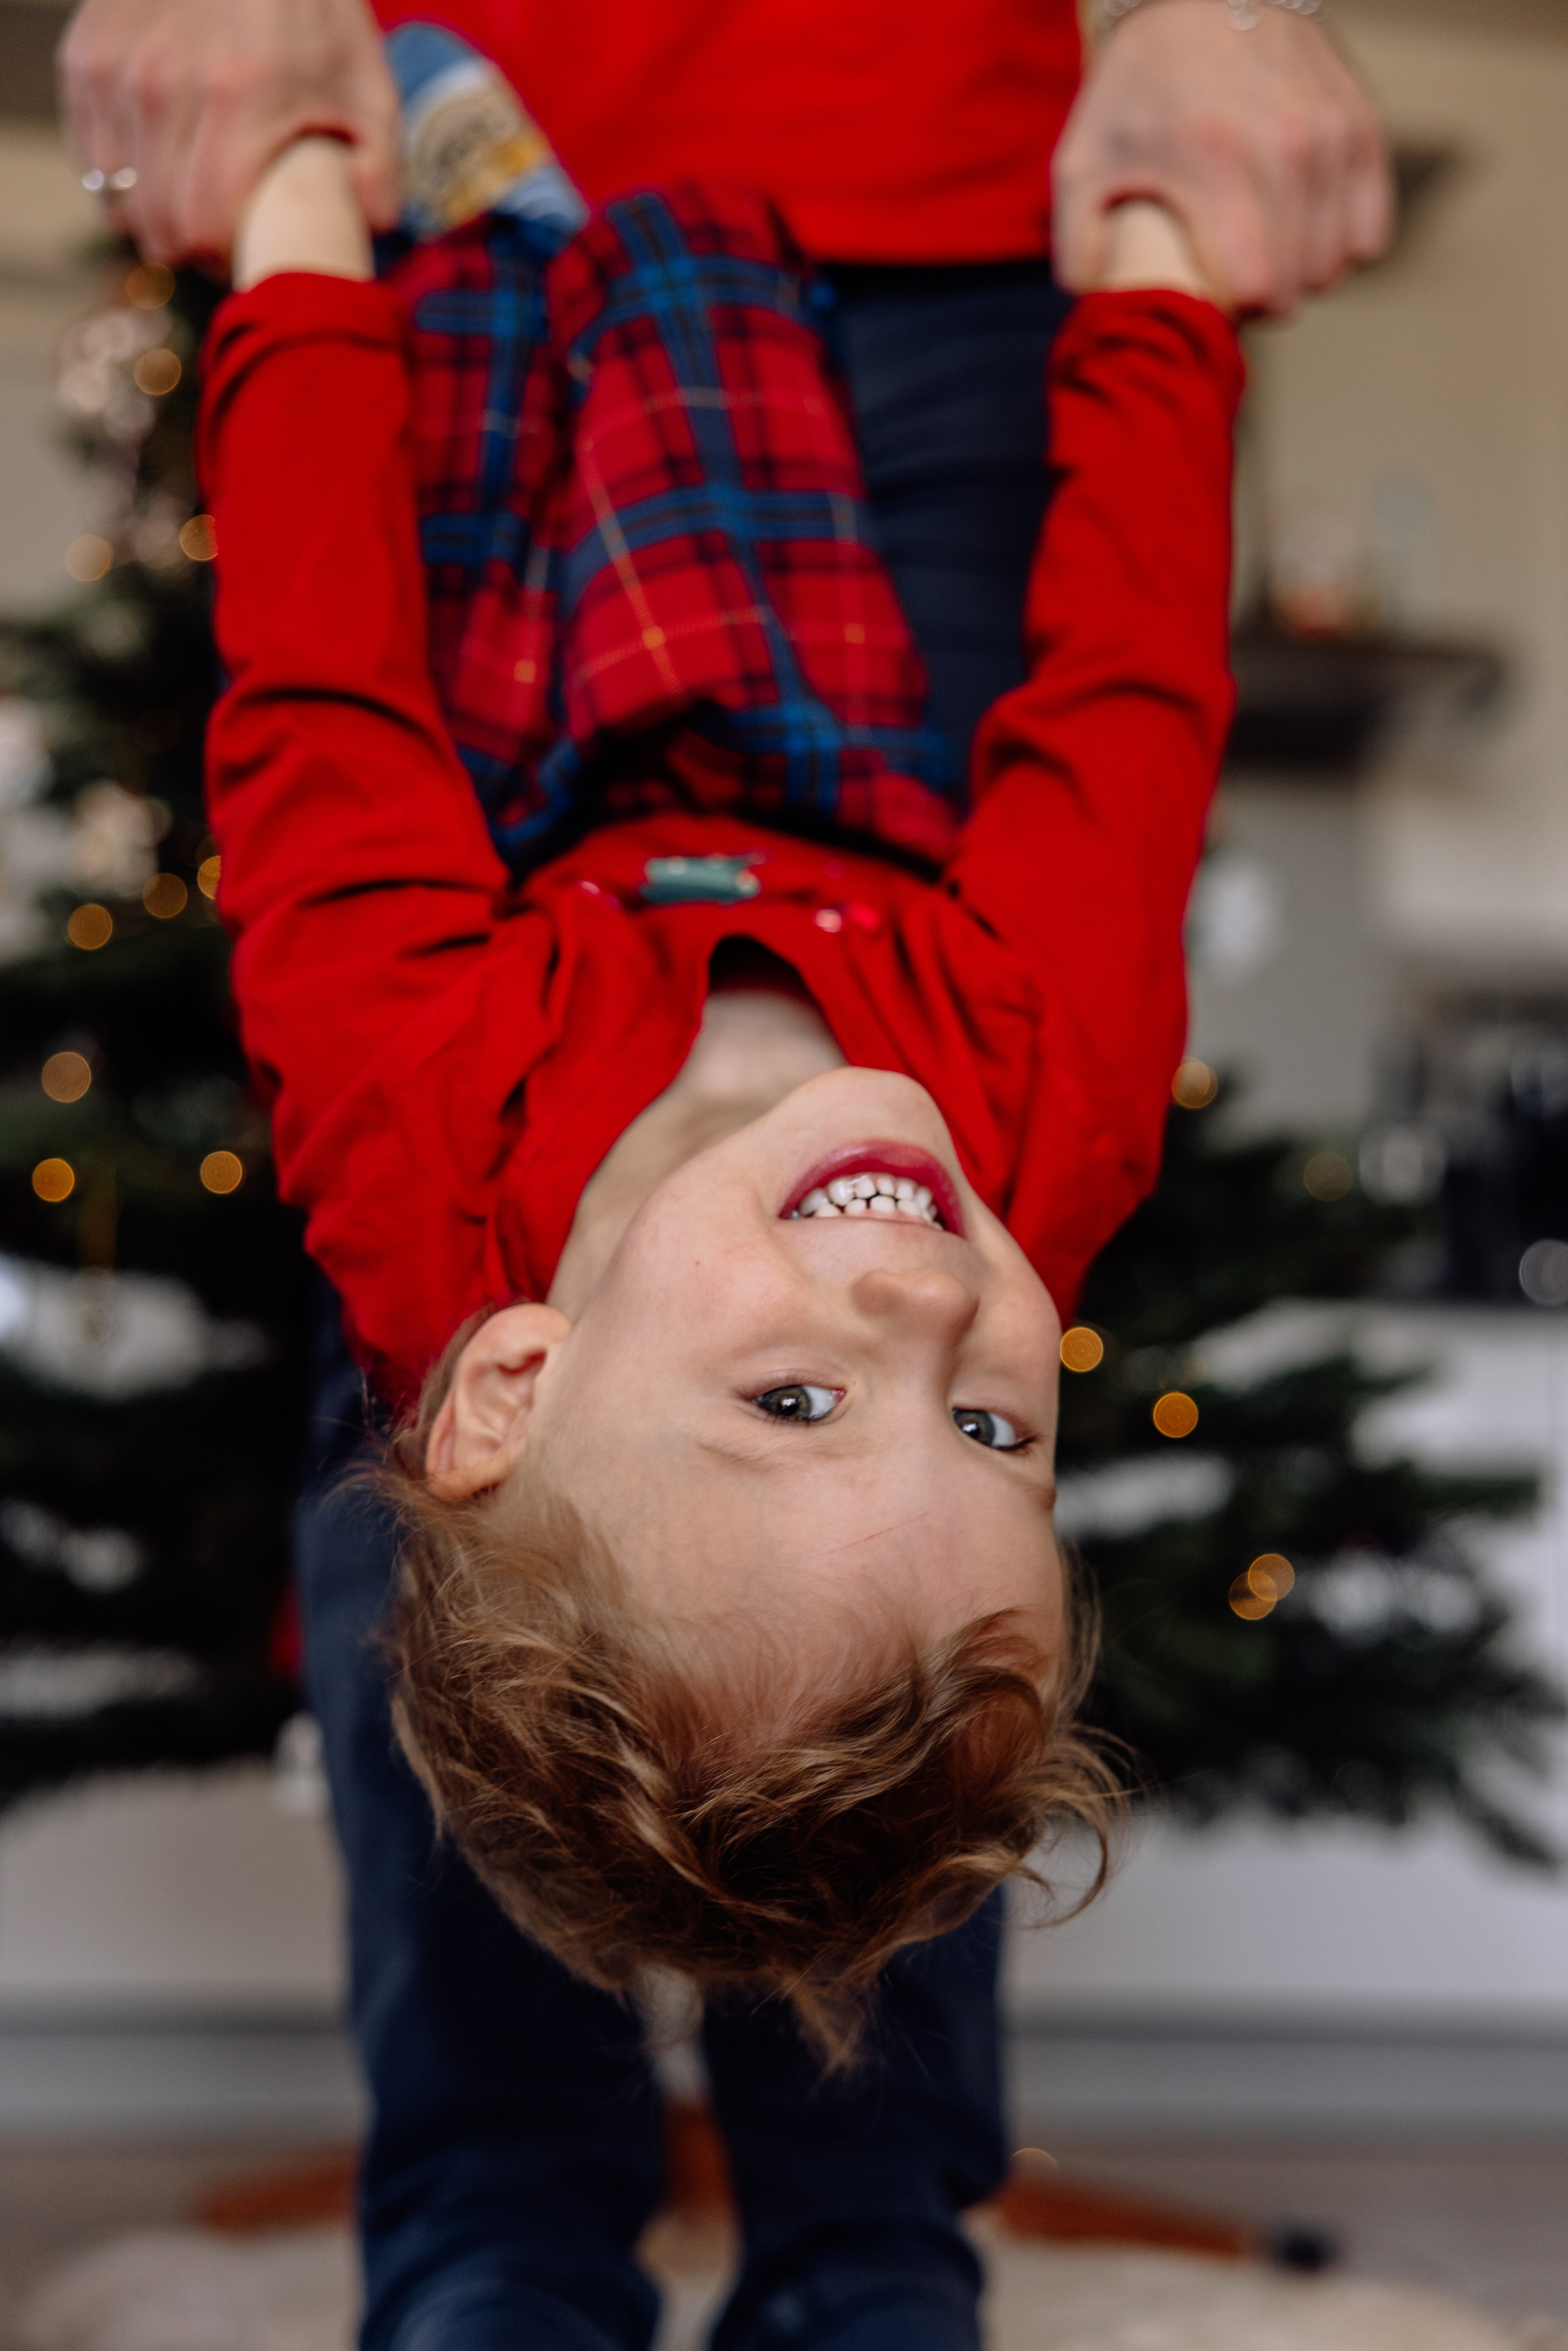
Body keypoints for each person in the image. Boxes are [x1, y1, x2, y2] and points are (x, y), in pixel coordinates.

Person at [63, 7, 1384, 2350]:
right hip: (904, 439)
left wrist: (286, 226)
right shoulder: (1039, 1097)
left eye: (793, 1404)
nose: (926, 1332)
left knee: (502, 1598)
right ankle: (640, 2262)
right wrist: (1166, 290)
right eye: (995, 1430)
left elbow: (323, 683)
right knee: (817, 1683)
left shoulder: (414, 1114)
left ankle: (719, 2252)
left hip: (593, 375)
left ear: (515, 1370)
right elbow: (1131, 689)